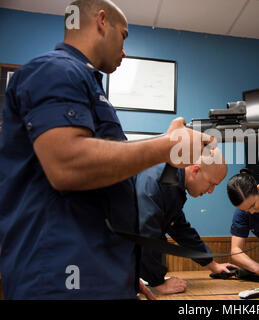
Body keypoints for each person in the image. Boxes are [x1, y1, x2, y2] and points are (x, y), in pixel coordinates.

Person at [0, 0, 213, 299]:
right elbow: (67, 166)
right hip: (59, 277)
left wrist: (123, 274)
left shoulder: (85, 84)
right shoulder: (55, 70)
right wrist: (167, 147)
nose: (124, 50)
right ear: (102, 21)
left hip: (94, 272)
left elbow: (99, 195)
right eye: (124, 35)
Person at [136, 149, 238, 295]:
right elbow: (145, 234)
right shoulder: (157, 181)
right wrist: (158, 283)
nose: (211, 191)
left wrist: (213, 265)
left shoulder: (171, 181)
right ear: (196, 170)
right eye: (211, 183)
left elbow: (181, 231)